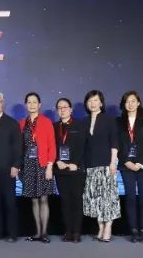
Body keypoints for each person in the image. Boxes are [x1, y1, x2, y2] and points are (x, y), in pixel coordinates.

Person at [82, 90, 120, 242]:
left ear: (101, 103)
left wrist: (113, 162)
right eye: (90, 100)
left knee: (108, 198)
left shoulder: (109, 120)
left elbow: (114, 143)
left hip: (106, 164)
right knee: (96, 198)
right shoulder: (84, 121)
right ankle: (100, 227)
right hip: (90, 165)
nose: (92, 103)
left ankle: (108, 227)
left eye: (95, 100)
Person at [19, 92, 56, 243]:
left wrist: (49, 166)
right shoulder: (22, 123)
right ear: (26, 105)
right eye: (29, 102)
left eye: (35, 102)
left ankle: (44, 233)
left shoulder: (46, 122)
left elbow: (52, 146)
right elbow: (20, 146)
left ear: (39, 105)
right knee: (34, 200)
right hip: (28, 165)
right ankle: (37, 232)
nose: (32, 105)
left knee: (44, 199)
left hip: (43, 165)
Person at [117, 90, 143, 243]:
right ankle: (133, 230)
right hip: (126, 165)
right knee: (130, 197)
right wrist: (126, 161)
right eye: (127, 101)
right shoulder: (118, 122)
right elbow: (116, 144)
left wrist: (139, 162)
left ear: (138, 103)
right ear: (123, 104)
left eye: (133, 101)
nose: (130, 104)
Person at [0, 92, 21, 243]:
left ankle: (12, 233)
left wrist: (16, 165)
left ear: (3, 103)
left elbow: (18, 146)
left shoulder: (11, 123)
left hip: (8, 170)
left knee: (9, 203)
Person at [53, 98, 87, 242]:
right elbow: (51, 146)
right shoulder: (54, 126)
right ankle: (68, 231)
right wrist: (57, 160)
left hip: (76, 170)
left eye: (65, 107)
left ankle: (77, 232)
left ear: (71, 109)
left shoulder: (80, 125)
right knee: (65, 201)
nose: (62, 110)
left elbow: (83, 146)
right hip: (60, 170)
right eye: (59, 108)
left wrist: (75, 163)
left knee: (77, 200)